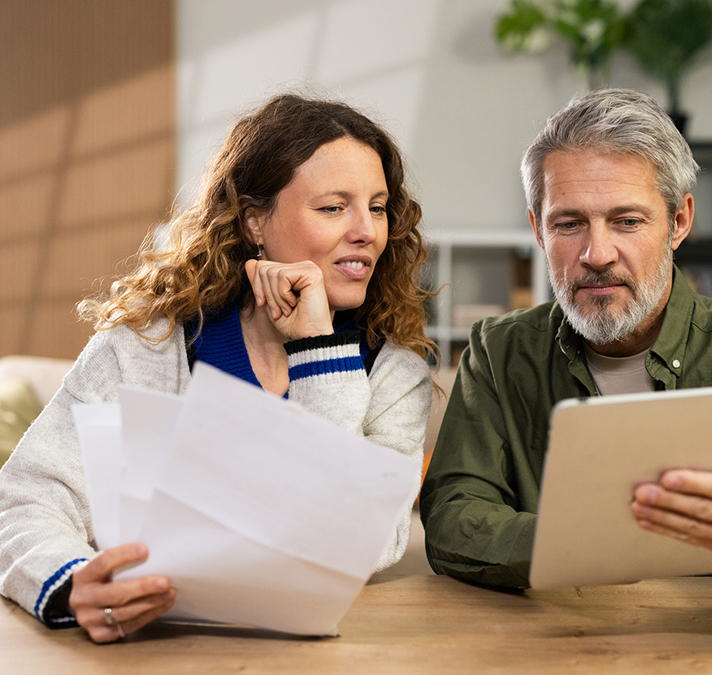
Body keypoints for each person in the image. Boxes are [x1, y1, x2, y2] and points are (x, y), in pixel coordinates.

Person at [0, 93, 436, 642]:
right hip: (140, 648)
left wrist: (318, 352)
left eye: (376, 207)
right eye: (332, 207)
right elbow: (26, 496)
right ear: (255, 221)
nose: (369, 231)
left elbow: (364, 540)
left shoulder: (397, 375)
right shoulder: (144, 348)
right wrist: (71, 583)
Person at [419, 89, 712, 615]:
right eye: (568, 223)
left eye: (627, 221)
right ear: (538, 229)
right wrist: (600, 546)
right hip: (545, 643)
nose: (596, 254)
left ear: (679, 223)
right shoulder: (496, 350)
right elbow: (453, 516)